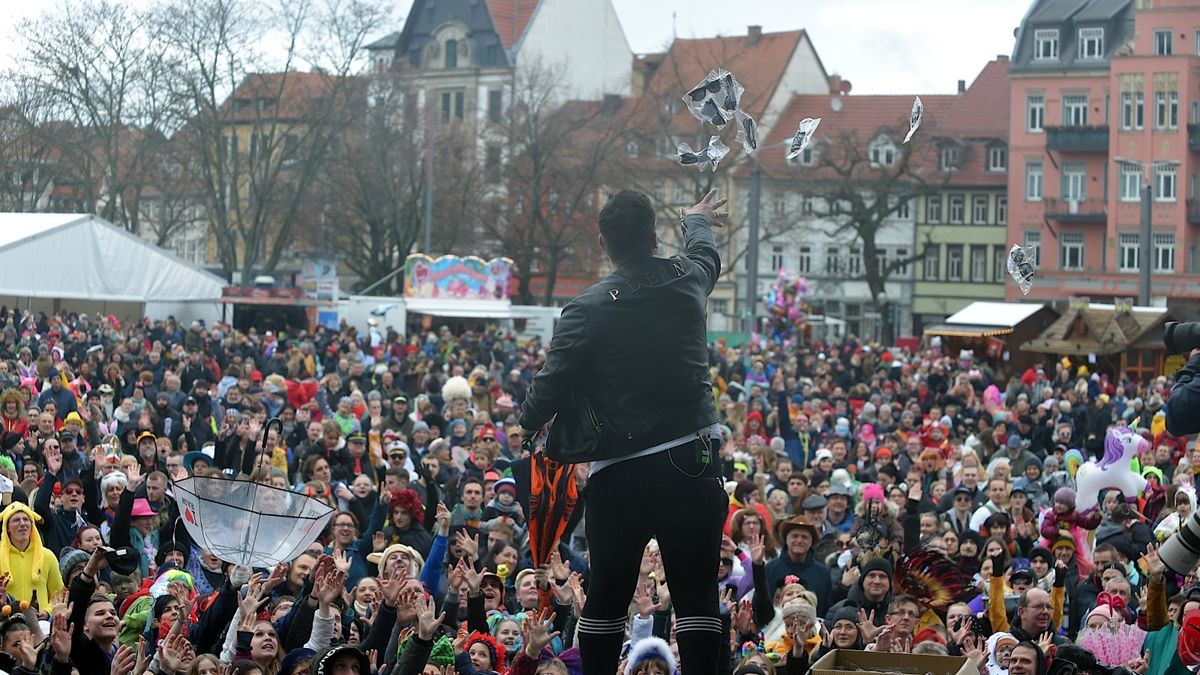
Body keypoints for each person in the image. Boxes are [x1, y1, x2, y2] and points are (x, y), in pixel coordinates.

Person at [518, 188, 728, 675]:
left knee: (609, 592)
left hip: (620, 468)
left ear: (601, 242)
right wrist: (695, 220)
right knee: (696, 592)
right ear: (655, 238)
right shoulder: (687, 280)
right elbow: (705, 254)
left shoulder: (587, 308)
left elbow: (552, 382)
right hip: (691, 457)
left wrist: (528, 421)